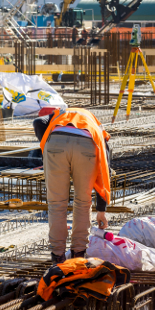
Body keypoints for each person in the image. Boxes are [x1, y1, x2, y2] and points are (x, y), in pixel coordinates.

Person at [33, 106, 112, 264]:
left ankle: (58, 259)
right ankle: (78, 258)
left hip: (55, 141)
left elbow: (37, 122)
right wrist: (101, 210)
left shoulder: (61, 113)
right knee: (83, 202)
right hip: (87, 145)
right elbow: (105, 171)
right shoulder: (98, 129)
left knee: (56, 204)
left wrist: (47, 143)